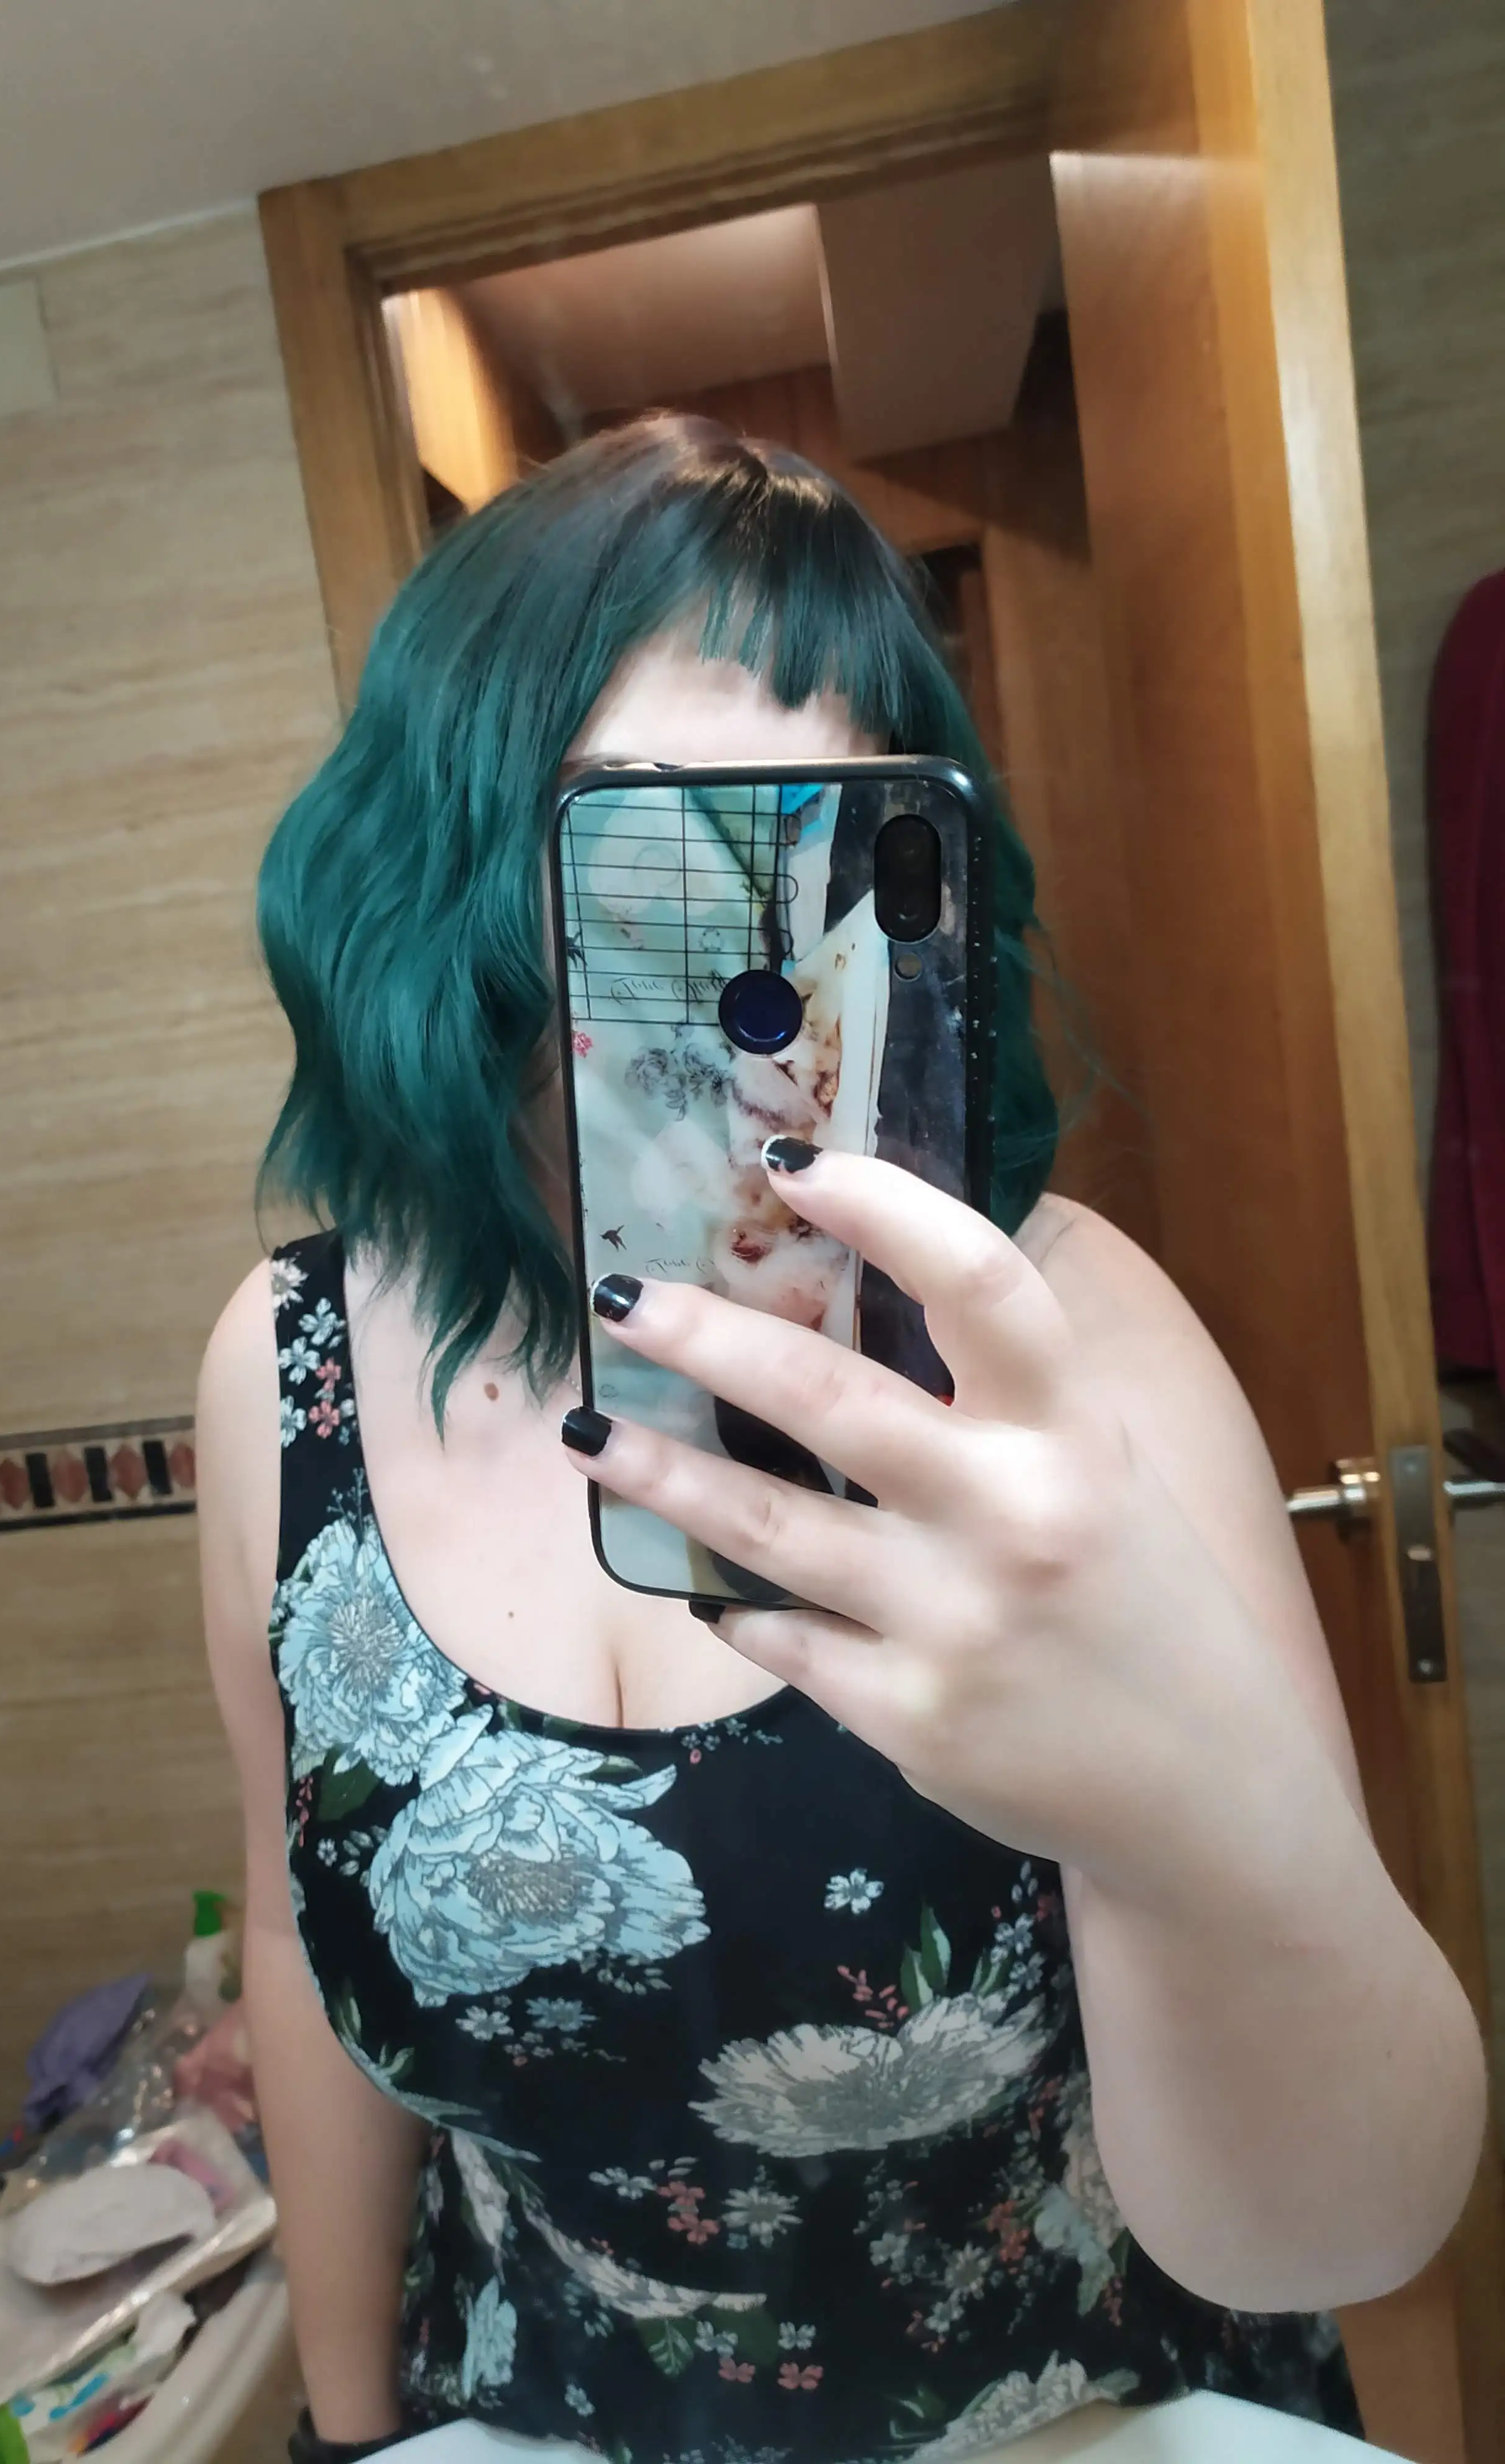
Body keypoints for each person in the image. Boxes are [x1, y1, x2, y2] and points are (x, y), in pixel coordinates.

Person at [197, 416, 1485, 2463]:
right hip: (528, 2417)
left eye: (827, 853)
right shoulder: (291, 1366)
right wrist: (347, 2428)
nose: (761, 980)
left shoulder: (1070, 1343)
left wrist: (1183, 1807)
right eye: (654, 857)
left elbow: (1346, 2226)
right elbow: (289, 1922)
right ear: (445, 863)